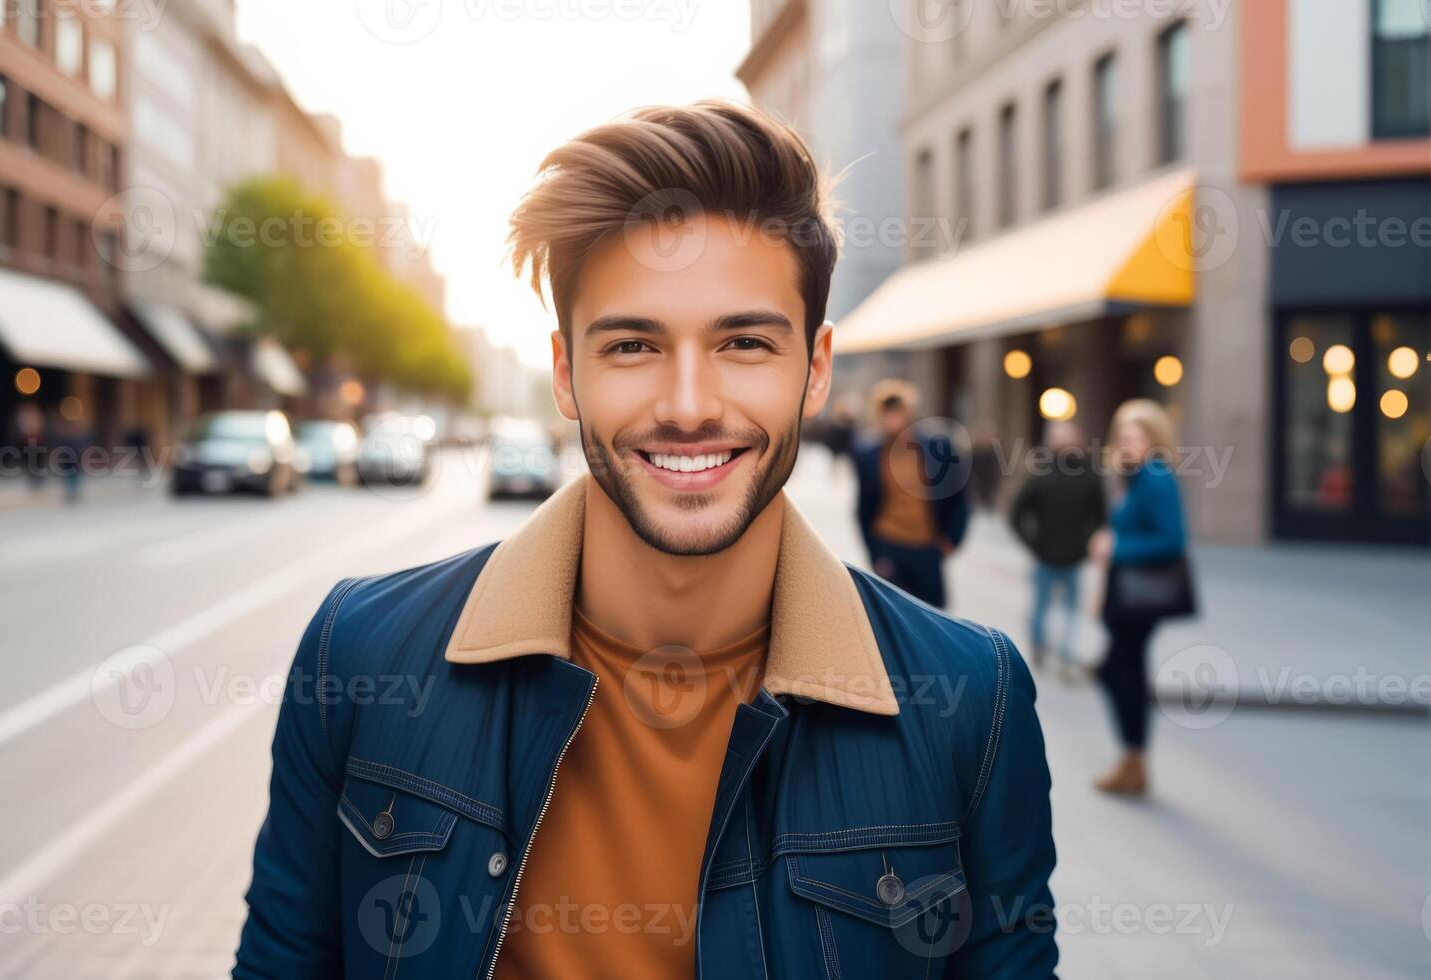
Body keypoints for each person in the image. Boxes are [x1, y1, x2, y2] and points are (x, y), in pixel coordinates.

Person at [235, 99, 1057, 979]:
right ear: (566, 373)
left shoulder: (974, 699)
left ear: (815, 371)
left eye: (743, 342)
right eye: (633, 346)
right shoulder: (360, 655)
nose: (690, 405)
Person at [1089, 399, 1189, 796]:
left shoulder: (1157, 477)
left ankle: (1134, 758)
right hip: (1123, 594)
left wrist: (1118, 547)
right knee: (1121, 671)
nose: (1126, 443)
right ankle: (1132, 759)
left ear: (1154, 439)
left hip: (1142, 597)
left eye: (1135, 436)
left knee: (1118, 671)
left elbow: (1172, 539)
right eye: (1123, 436)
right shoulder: (1130, 477)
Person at [851, 379, 970, 610]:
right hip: (890, 545)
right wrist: (875, 552)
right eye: (887, 413)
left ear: (908, 413)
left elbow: (959, 496)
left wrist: (951, 539)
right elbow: (863, 507)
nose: (892, 418)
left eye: (897, 412)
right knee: (893, 616)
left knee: (933, 616)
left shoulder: (938, 447)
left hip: (927, 546)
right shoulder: (868, 454)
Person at [1009, 420, 1106, 679]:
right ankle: (1042, 648)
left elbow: (1100, 513)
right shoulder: (1041, 475)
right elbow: (1017, 513)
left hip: (1072, 557)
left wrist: (1087, 544)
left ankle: (1061, 654)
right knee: (1045, 607)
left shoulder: (1089, 476)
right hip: (1046, 556)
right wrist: (1034, 544)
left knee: (1068, 609)